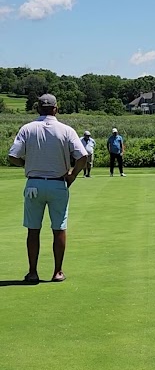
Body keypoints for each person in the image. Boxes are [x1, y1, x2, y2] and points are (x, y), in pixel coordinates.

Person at [8, 93, 87, 283]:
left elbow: (12, 156)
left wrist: (26, 164)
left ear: (37, 109)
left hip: (34, 184)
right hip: (58, 184)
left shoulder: (27, 129)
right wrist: (72, 175)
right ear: (56, 109)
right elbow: (83, 156)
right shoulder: (66, 130)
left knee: (33, 229)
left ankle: (33, 272)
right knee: (59, 228)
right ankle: (57, 272)